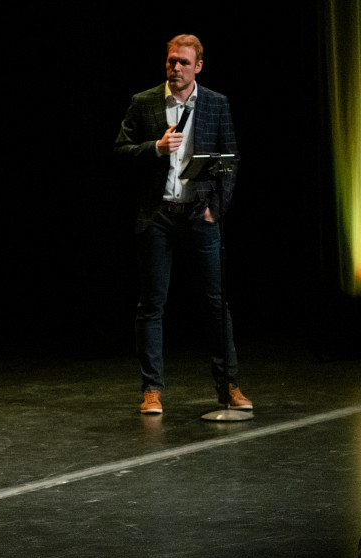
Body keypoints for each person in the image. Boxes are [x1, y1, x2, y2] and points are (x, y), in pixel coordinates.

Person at [113, 34, 252, 415]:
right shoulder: (144, 103)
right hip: (158, 215)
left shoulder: (215, 104)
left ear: (198, 67)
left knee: (215, 304)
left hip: (200, 214)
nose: (176, 68)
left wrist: (217, 209)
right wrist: (155, 148)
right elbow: (120, 152)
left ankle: (229, 386)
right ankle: (152, 390)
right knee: (152, 305)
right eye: (172, 61)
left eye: (184, 63)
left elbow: (231, 159)